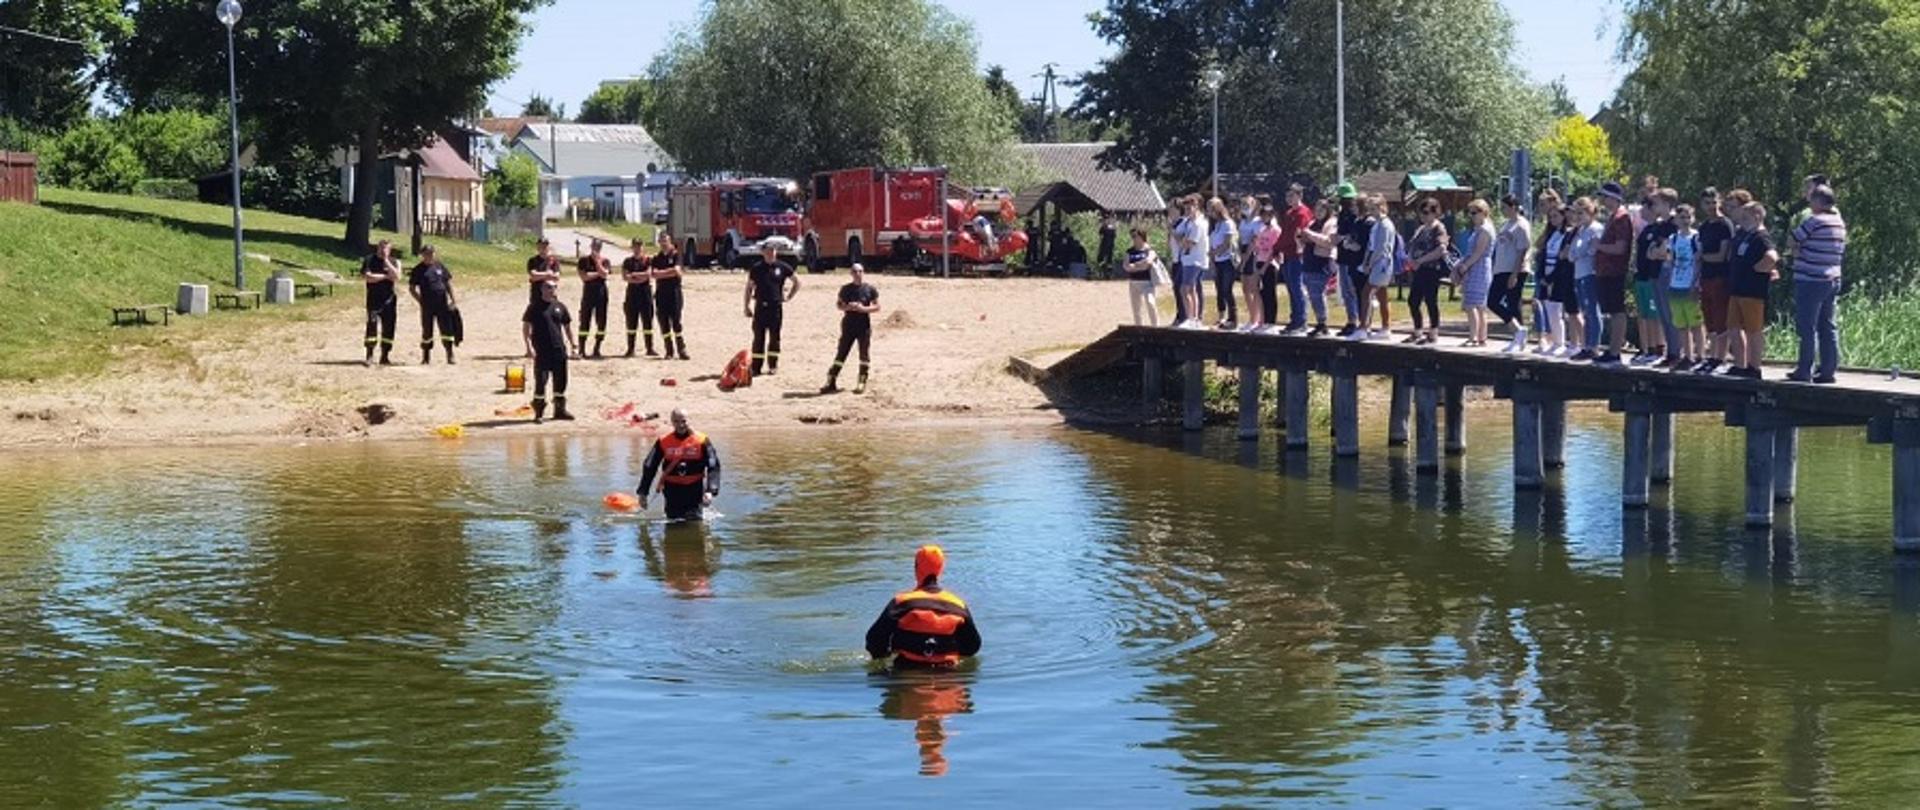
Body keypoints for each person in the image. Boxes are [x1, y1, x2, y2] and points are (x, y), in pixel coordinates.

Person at [865, 544, 981, 669]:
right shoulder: (958, 605)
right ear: (940, 569)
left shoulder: (902, 603)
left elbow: (874, 638)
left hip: (905, 674)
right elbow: (973, 646)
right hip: (949, 677)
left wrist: (883, 657)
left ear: (916, 568)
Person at [1788, 184, 1846, 383]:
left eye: (1811, 199)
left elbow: (1793, 239)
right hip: (1832, 279)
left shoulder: (1815, 220)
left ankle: (1804, 370)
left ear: (1819, 201)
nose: (1809, 202)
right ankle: (1828, 371)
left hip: (1811, 279)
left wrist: (1797, 252)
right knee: (1828, 326)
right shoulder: (1838, 221)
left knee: (1807, 327)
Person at [1726, 201, 1780, 380]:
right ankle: (1739, 364)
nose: (1741, 220)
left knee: (1753, 330)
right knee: (1733, 328)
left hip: (1752, 292)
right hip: (1736, 290)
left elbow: (1772, 256)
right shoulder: (1744, 234)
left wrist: (1761, 268)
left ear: (1757, 216)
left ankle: (1754, 367)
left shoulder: (1761, 236)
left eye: (1745, 217)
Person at [636, 408, 722, 521]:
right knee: (673, 521)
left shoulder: (701, 440)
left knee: (694, 521)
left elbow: (713, 464)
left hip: (694, 488)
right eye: (676, 421)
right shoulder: (663, 441)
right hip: (672, 488)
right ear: (672, 422)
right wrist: (643, 492)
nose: (681, 425)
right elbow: (650, 466)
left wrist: (710, 490)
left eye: (684, 421)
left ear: (689, 421)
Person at [1631, 188, 1678, 365]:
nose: (1654, 206)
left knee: (1670, 314)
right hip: (1655, 273)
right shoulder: (1658, 226)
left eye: (1657, 203)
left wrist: (1659, 251)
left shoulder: (1674, 224)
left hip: (1668, 274)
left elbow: (1668, 251)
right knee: (1663, 314)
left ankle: (1675, 352)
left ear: (1667, 204)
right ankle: (1669, 353)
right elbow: (1651, 251)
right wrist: (1657, 251)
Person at [521, 279, 576, 422]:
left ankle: (560, 410)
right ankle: (539, 412)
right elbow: (526, 327)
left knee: (560, 381)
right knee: (541, 382)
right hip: (541, 350)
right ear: (542, 289)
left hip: (559, 350)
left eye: (553, 287)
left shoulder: (560, 307)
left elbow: (567, 327)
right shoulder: (534, 307)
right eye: (547, 287)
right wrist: (528, 347)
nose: (550, 290)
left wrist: (573, 345)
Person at [1592, 182, 1634, 364]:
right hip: (1606, 271)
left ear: (1613, 198)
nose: (1602, 200)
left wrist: (1599, 246)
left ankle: (1616, 351)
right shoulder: (1613, 217)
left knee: (1617, 311)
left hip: (1615, 271)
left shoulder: (1622, 218)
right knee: (1611, 310)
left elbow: (1620, 247)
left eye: (1604, 197)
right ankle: (1612, 349)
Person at [823, 263, 880, 394]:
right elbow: (839, 305)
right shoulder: (846, 289)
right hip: (849, 324)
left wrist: (863, 309)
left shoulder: (870, 289)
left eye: (860, 271)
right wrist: (849, 307)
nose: (857, 274)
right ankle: (831, 380)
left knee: (864, 354)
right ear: (851, 274)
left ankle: (862, 381)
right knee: (842, 352)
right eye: (855, 272)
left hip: (863, 325)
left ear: (863, 272)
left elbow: (877, 307)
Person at [744, 241, 799, 375]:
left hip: (775, 307)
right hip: (761, 307)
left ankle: (773, 365)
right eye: (768, 251)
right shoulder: (757, 268)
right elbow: (749, 288)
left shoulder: (782, 267)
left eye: (773, 251)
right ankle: (756, 367)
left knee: (775, 337)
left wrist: (789, 296)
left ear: (776, 253)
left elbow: (797, 282)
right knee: (758, 338)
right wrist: (746, 306)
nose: (770, 254)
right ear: (763, 253)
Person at [1404, 197, 1450, 345]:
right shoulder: (1421, 229)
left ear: (1435, 212)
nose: (1423, 216)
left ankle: (1433, 332)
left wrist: (1421, 260)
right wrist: (1411, 260)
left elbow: (1441, 249)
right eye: (1421, 212)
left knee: (1431, 300)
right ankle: (1417, 330)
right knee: (1413, 300)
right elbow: (1412, 245)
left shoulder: (1439, 228)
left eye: (1426, 212)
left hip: (1431, 269)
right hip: (1418, 270)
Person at [1665, 203, 1705, 372]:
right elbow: (1670, 259)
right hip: (1676, 284)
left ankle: (1700, 355)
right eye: (1682, 217)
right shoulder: (1673, 238)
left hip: (1690, 284)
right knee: (1681, 324)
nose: (1686, 220)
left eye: (1689, 217)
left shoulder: (1695, 237)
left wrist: (1695, 282)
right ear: (1676, 219)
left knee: (1696, 323)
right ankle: (1686, 356)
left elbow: (1698, 260)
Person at [1491, 195, 1534, 353]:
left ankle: (1519, 335)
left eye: (1505, 207)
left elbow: (1523, 249)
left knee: (1509, 302)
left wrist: (1515, 274)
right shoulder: (1505, 224)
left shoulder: (1521, 225)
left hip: (1514, 269)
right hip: (1501, 268)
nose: (1502, 211)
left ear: (1514, 207)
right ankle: (1518, 333)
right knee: (1496, 302)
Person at [1533, 204, 1574, 356]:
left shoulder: (1567, 233)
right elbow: (1543, 253)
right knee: (1549, 308)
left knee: (1557, 310)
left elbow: (1562, 258)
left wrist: (1552, 278)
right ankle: (1554, 341)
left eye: (1556, 216)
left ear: (1563, 217)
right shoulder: (1551, 234)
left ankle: (1561, 342)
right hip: (1546, 272)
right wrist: (1544, 276)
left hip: (1559, 275)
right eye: (1550, 217)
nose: (1553, 220)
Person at [1454, 199, 1496, 347]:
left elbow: (1478, 253)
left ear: (1483, 212)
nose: (1471, 216)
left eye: (1474, 213)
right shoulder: (1478, 229)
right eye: (1470, 213)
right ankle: (1480, 336)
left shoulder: (1485, 230)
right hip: (1476, 266)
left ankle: (1474, 338)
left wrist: (1465, 266)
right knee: (1478, 305)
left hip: (1479, 267)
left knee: (1473, 304)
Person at [407, 245, 458, 365]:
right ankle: (426, 357)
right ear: (422, 255)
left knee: (446, 330)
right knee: (427, 331)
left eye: (431, 253)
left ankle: (450, 354)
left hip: (442, 303)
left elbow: (448, 283)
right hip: (427, 305)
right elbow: (412, 288)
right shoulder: (418, 270)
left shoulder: (440, 266)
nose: (429, 256)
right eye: (427, 254)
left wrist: (453, 300)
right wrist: (419, 300)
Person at [1569, 197, 1604, 361]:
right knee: (1584, 310)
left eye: (1581, 213)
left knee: (1592, 310)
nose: (1578, 216)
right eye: (1576, 213)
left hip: (1590, 272)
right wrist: (1576, 253)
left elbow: (1591, 251)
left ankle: (1593, 346)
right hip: (1578, 272)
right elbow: (1571, 253)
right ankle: (1586, 345)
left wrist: (1577, 253)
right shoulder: (1581, 230)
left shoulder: (1596, 229)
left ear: (1590, 212)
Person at [1358, 194, 1397, 341]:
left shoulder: (1385, 225)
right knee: (1382, 295)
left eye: (1373, 208)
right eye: (1369, 209)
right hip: (1377, 262)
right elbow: (1371, 245)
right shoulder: (1377, 224)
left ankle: (1363, 327)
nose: (1371, 212)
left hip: (1381, 263)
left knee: (1366, 293)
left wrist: (1370, 264)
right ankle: (1386, 327)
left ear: (1382, 207)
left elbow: (1381, 249)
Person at [1297, 198, 1338, 337]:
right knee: (1312, 295)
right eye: (1317, 209)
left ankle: (1323, 324)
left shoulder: (1331, 223)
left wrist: (1311, 235)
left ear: (1328, 210)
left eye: (1322, 209)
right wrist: (1301, 237)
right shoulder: (1312, 222)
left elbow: (1329, 242)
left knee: (1318, 294)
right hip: (1309, 261)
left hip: (1322, 262)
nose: (1319, 212)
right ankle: (1319, 323)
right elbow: (1307, 238)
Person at [1277, 184, 1314, 334]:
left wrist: (1281, 246)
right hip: (1287, 255)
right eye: (1287, 196)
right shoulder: (1288, 213)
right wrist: (1276, 248)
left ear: (1299, 196)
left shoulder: (1303, 213)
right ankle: (1294, 320)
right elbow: (1284, 233)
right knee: (1291, 289)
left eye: (1292, 196)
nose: (1289, 199)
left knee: (1297, 288)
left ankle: (1301, 321)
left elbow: (1296, 235)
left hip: (1297, 255)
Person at [359, 239, 400, 366]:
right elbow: (368, 277)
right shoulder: (369, 260)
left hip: (389, 301)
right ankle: (369, 355)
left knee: (389, 328)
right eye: (381, 248)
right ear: (377, 248)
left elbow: (397, 277)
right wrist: (385, 277)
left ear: (389, 250)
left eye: (386, 249)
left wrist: (387, 262)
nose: (383, 251)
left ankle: (385, 356)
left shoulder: (394, 261)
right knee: (372, 325)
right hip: (373, 300)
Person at [1334, 183, 1367, 336]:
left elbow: (1354, 235)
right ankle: (1351, 320)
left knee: (1353, 290)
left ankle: (1361, 321)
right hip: (1342, 256)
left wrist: (1343, 237)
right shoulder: (1342, 214)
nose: (1345, 202)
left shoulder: (1354, 215)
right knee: (1346, 291)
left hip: (1352, 258)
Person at [651, 231, 689, 361]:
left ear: (670, 242)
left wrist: (663, 273)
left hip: (674, 293)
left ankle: (681, 349)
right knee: (663, 322)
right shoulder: (656, 258)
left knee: (676, 322)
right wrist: (669, 272)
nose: (664, 244)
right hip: (661, 293)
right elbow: (654, 274)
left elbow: (677, 271)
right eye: (661, 241)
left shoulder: (677, 255)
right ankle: (669, 350)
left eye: (666, 241)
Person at [620, 238, 658, 358]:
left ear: (643, 247)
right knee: (631, 322)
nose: (637, 248)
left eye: (639, 246)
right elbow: (625, 277)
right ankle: (630, 349)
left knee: (647, 321)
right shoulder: (628, 261)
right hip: (632, 293)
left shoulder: (648, 260)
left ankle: (650, 348)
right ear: (632, 247)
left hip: (645, 292)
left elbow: (648, 275)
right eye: (635, 246)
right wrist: (637, 277)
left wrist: (634, 275)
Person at [1174, 195, 1208, 329]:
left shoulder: (1198, 224)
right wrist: (1180, 239)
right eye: (1186, 208)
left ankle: (1191, 318)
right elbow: (1176, 232)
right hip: (1187, 260)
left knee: (1185, 289)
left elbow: (1189, 243)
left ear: (1196, 207)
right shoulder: (1188, 222)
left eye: (1190, 208)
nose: (1187, 211)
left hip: (1195, 260)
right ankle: (1194, 318)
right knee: (1191, 289)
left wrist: (1180, 240)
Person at [576, 240, 612, 358]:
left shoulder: (605, 261)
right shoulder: (583, 261)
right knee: (585, 320)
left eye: (598, 246)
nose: (596, 248)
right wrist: (598, 274)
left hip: (601, 293)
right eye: (594, 246)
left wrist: (597, 263)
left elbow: (605, 274)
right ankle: (582, 348)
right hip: (588, 293)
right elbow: (584, 277)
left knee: (601, 321)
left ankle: (597, 347)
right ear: (591, 246)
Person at [1237, 195, 1269, 333]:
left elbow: (1254, 241)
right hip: (1243, 251)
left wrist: (1245, 260)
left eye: (1248, 204)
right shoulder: (1242, 222)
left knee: (1254, 288)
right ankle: (1252, 318)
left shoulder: (1257, 222)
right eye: (1243, 204)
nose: (1245, 207)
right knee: (1245, 288)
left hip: (1253, 255)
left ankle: (1258, 320)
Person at [1250, 201, 1282, 334]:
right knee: (1262, 293)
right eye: (1263, 215)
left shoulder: (1276, 230)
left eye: (1267, 215)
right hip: (1260, 261)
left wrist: (1265, 266)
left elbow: (1275, 250)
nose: (1264, 218)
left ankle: (1271, 322)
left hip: (1270, 264)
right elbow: (1258, 247)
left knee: (1270, 292)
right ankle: (1263, 320)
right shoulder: (1262, 229)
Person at [1207, 197, 1240, 328]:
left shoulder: (1228, 223)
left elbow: (1227, 243)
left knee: (1227, 290)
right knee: (1219, 290)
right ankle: (1222, 317)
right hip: (1218, 261)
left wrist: (1215, 253)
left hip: (1227, 261)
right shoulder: (1216, 225)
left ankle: (1233, 319)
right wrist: (1212, 255)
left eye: (1211, 209)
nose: (1210, 212)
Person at [1122, 227, 1162, 326]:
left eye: (1135, 236)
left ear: (1142, 236)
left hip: (1147, 283)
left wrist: (1135, 265)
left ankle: (1155, 326)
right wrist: (1139, 266)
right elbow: (1126, 266)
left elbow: (1148, 262)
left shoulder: (1149, 250)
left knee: (1150, 303)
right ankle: (1138, 327)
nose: (1133, 239)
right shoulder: (1130, 251)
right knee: (1136, 308)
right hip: (1134, 283)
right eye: (1132, 236)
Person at [526, 237, 562, 305]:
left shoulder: (554, 260)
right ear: (537, 247)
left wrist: (540, 276)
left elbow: (556, 277)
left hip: (551, 294)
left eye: (545, 246)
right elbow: (533, 276)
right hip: (536, 294)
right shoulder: (533, 261)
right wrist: (548, 274)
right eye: (541, 246)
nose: (543, 248)